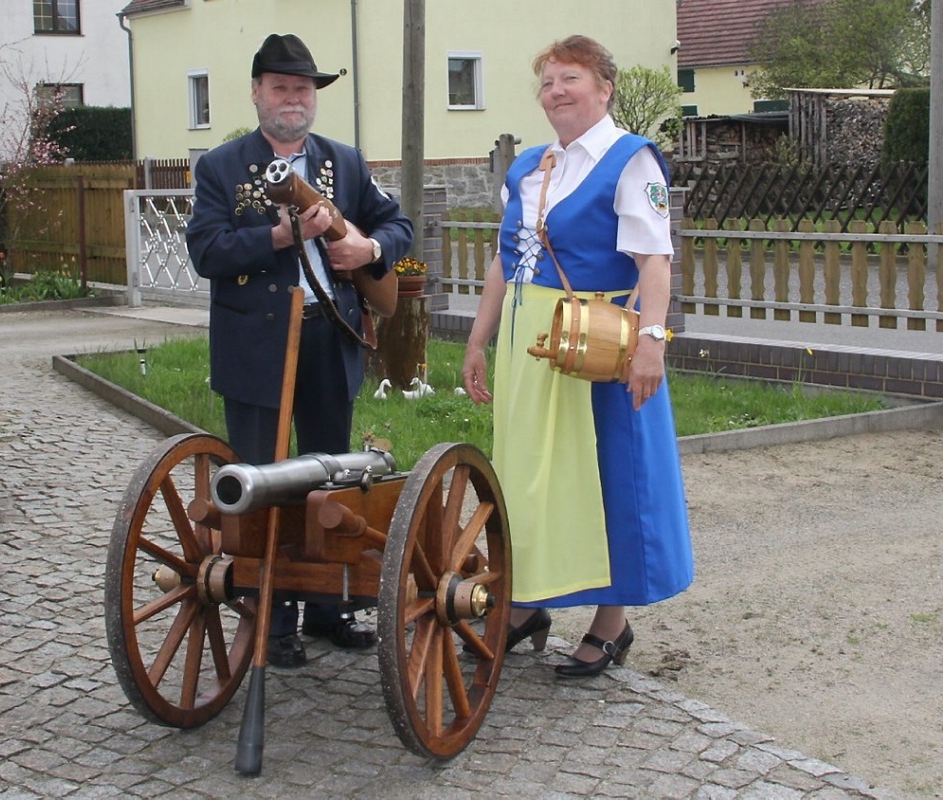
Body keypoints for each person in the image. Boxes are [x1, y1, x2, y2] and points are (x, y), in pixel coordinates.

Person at [461, 35, 693, 677]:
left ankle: (610, 624)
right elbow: (504, 259)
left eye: (570, 78)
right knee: (528, 479)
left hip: (599, 344)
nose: (556, 91)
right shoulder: (529, 166)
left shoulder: (630, 160)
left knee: (610, 474)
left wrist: (652, 343)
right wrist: (478, 340)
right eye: (547, 82)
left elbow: (655, 261)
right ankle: (525, 604)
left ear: (604, 87)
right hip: (528, 346)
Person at [186, 33, 414, 668]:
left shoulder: (346, 160)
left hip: (330, 338)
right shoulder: (221, 168)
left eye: (304, 89)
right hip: (258, 344)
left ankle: (330, 608)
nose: (293, 99)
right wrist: (282, 235)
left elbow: (400, 226)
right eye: (281, 88)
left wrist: (369, 250)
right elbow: (207, 253)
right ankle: (273, 618)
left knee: (333, 475)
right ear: (257, 92)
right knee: (263, 482)